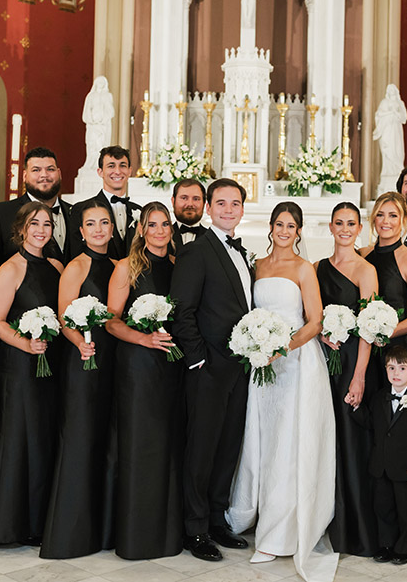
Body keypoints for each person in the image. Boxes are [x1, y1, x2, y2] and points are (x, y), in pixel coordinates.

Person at [227, 202, 337, 581]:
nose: (284, 231)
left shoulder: (304, 269)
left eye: (291, 225)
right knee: (261, 440)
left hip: (295, 365)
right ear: (271, 227)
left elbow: (315, 319)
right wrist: (257, 347)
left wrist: (282, 347)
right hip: (262, 367)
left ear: (299, 231)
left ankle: (280, 534)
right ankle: (251, 515)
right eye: (279, 224)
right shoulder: (258, 265)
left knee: (289, 444)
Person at [172, 179, 252, 562]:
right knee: (202, 450)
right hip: (208, 369)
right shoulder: (196, 251)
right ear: (208, 207)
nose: (228, 209)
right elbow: (182, 310)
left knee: (227, 447)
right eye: (220, 203)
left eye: (235, 203)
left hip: (240, 368)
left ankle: (218, 519)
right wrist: (198, 358)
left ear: (241, 209)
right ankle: (196, 528)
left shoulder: (243, 252)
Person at [104, 202, 183, 560]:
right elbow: (111, 321)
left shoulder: (182, 266)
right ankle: (137, 535)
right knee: (140, 443)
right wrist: (144, 339)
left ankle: (168, 533)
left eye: (165, 224)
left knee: (170, 442)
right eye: (152, 225)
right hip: (138, 365)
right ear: (140, 229)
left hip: (173, 366)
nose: (160, 231)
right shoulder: (126, 267)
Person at [41, 201, 119, 558]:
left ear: (113, 228)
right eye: (92, 224)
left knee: (108, 439)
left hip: (115, 361)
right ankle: (73, 530)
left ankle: (105, 528)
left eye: (105, 222)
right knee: (82, 436)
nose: (100, 229)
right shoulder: (76, 266)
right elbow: (63, 316)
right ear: (81, 231)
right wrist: (80, 345)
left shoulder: (120, 266)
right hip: (84, 360)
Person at [0, 202, 63, 544]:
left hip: (52, 363)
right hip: (20, 365)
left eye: (46, 223)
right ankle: (13, 525)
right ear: (20, 229)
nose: (41, 230)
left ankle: (41, 520)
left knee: (45, 436)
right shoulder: (10, 269)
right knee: (22, 437)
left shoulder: (57, 266)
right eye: (34, 224)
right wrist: (25, 344)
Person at [316, 202, 380, 557]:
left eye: (350, 223)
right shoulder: (318, 268)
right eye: (338, 223)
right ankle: (325, 519)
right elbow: (311, 315)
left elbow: (369, 327)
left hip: (354, 360)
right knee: (327, 438)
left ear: (359, 229)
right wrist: (321, 335)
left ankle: (353, 529)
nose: (344, 229)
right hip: (324, 359)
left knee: (351, 440)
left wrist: (359, 378)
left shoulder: (365, 270)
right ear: (329, 227)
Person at [360, 345, 407, 567]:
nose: (395, 373)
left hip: (406, 469)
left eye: (402, 368)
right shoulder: (379, 397)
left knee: (406, 510)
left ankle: (403, 548)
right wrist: (355, 408)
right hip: (381, 466)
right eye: (391, 368)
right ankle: (386, 545)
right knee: (383, 508)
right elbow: (371, 424)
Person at [359, 192, 407, 358]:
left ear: (403, 220)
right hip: (366, 348)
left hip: (400, 349)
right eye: (380, 215)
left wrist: (387, 333)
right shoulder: (363, 256)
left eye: (393, 215)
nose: (385, 221)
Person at [0, 147, 73, 264]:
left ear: (59, 173)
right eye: (36, 170)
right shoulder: (0, 214)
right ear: (25, 176)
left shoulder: (76, 212)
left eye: (50, 169)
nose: (44, 175)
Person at [74, 146, 143, 260]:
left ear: (130, 171)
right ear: (100, 172)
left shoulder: (139, 211)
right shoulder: (81, 209)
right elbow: (76, 253)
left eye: (122, 166)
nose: (117, 171)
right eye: (111, 166)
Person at [171, 178, 207, 252]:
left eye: (196, 199)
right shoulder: (160, 236)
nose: (190, 204)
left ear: (204, 203)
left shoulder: (213, 239)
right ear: (173, 201)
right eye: (184, 198)